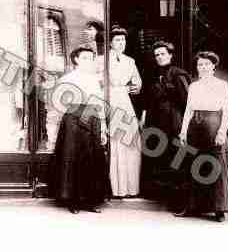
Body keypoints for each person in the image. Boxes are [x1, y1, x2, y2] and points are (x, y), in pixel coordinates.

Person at [177, 51, 228, 222]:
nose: (203, 68)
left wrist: (221, 132)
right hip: (195, 127)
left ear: (213, 66)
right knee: (194, 165)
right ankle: (194, 206)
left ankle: (219, 209)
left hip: (213, 124)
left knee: (215, 166)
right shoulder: (193, 86)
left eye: (206, 64)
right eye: (200, 65)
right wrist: (183, 131)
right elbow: (188, 110)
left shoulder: (222, 85)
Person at [50, 46, 108, 214]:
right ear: (76, 59)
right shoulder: (67, 79)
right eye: (85, 58)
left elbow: (99, 104)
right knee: (72, 158)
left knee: (91, 158)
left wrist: (103, 127)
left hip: (92, 118)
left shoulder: (94, 80)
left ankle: (90, 201)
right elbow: (59, 105)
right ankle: (72, 201)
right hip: (73, 119)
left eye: (91, 58)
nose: (88, 62)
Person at [140, 41, 191, 208]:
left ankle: (179, 202)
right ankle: (165, 198)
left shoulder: (178, 74)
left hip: (174, 122)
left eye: (162, 54)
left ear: (170, 55)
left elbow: (186, 102)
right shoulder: (154, 74)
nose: (159, 57)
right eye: (157, 55)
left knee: (176, 159)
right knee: (161, 158)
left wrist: (184, 127)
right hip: (157, 123)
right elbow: (149, 100)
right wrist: (145, 116)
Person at [108, 25, 142, 198]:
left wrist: (133, 87)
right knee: (115, 140)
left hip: (124, 100)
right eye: (117, 40)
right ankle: (116, 187)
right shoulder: (103, 59)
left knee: (129, 140)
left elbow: (137, 83)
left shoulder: (130, 61)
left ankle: (129, 187)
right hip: (110, 99)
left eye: (123, 40)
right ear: (111, 43)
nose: (121, 43)